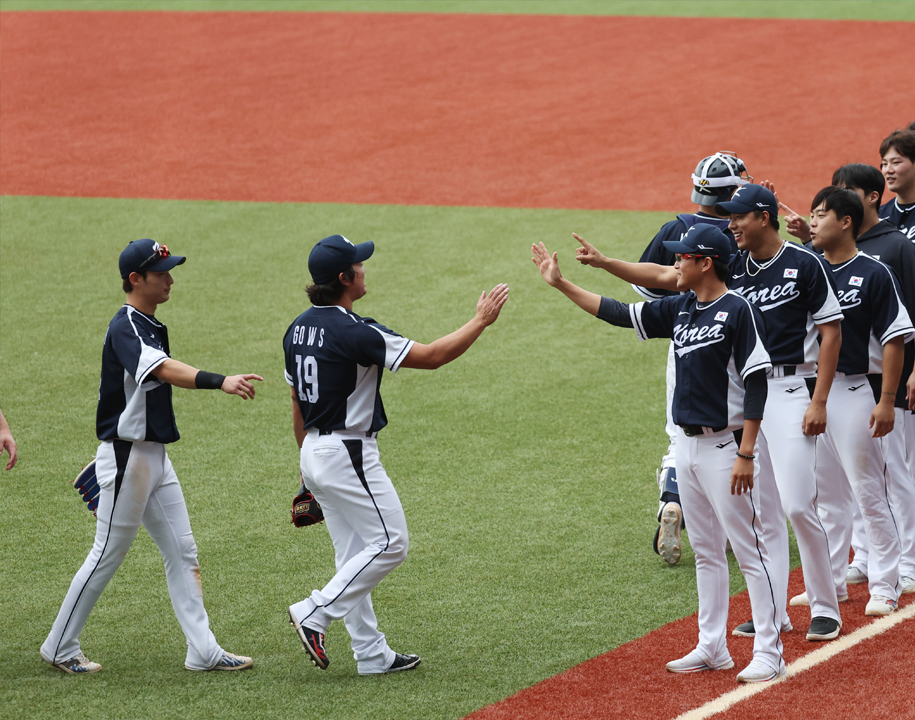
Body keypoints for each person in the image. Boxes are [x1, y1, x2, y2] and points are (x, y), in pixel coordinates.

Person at [573, 184, 845, 643]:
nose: (730, 223)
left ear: (763, 217)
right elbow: (663, 275)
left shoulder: (805, 262)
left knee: (798, 504)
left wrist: (820, 398)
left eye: (737, 216)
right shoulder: (732, 264)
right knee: (764, 513)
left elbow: (832, 330)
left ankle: (825, 603)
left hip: (793, 388)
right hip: (748, 397)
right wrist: (604, 264)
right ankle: (773, 613)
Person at [532, 225, 788, 683]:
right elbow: (617, 313)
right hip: (687, 448)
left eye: (681, 257)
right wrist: (561, 283)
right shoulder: (682, 308)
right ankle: (712, 646)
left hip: (728, 446)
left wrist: (747, 453)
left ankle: (770, 650)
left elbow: (756, 382)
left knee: (750, 551)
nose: (674, 264)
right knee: (707, 551)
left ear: (705, 262)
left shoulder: (738, 310)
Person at [285, 235, 508, 675]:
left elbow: (295, 400)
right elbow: (432, 357)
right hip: (347, 452)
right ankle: (315, 611)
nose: (365, 270)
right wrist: (480, 321)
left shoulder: (296, 328)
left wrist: (307, 468)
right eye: (359, 266)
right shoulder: (355, 332)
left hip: (313, 448)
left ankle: (371, 654)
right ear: (345, 278)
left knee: (352, 557)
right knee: (391, 543)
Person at [41, 239, 262, 675]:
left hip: (153, 458)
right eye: (161, 273)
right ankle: (60, 646)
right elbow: (160, 369)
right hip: (128, 459)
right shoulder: (127, 325)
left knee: (182, 551)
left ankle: (203, 650)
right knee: (106, 553)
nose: (170, 279)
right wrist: (220, 381)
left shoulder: (148, 323)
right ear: (135, 279)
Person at [630, 153, 749, 566]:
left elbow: (649, 293)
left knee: (681, 435)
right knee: (736, 434)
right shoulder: (745, 227)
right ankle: (732, 525)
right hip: (741, 339)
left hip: (685, 337)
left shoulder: (678, 228)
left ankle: (673, 500)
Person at [807, 186, 914, 616]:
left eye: (820, 214)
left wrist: (887, 400)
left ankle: (885, 583)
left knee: (868, 490)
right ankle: (832, 582)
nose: (812, 222)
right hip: (812, 393)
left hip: (855, 391)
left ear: (846, 221)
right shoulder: (810, 271)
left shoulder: (874, 272)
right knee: (824, 495)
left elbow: (894, 340)